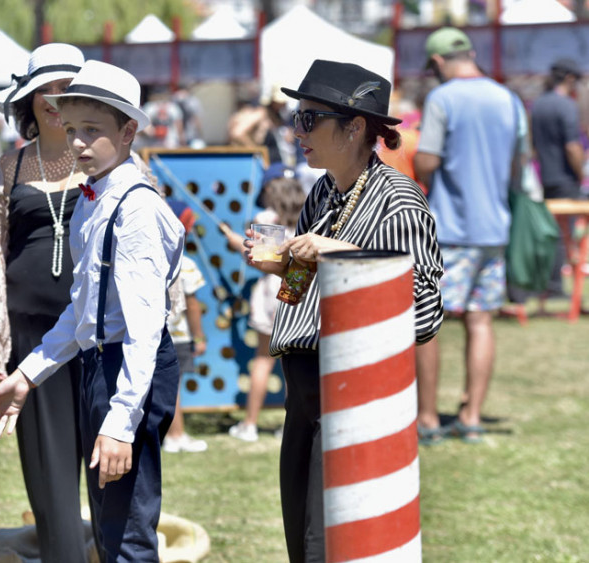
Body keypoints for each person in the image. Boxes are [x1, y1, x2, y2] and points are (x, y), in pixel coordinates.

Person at [0, 60, 185, 562]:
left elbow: (141, 331)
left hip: (127, 370)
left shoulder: (134, 209)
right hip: (100, 364)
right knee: (110, 525)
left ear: (129, 130)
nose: (77, 143)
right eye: (72, 130)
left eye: (92, 130)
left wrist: (119, 422)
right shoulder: (93, 200)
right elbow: (81, 312)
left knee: (127, 534)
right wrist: (27, 375)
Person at [248, 60, 443, 561]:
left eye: (310, 119)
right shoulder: (325, 191)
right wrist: (281, 268)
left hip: (354, 398)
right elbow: (301, 291)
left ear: (355, 127)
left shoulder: (398, 200)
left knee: (329, 548)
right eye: (297, 116)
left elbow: (422, 312)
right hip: (307, 393)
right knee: (305, 543)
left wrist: (333, 252)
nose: (297, 130)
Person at [0, 43, 90, 562]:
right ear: (30, 97)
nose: (57, 98)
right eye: (48, 87)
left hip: (95, 330)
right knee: (50, 474)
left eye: (68, 88)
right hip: (31, 336)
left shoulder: (109, 159)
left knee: (109, 465)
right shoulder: (10, 168)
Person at [413, 27, 524, 443]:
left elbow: (426, 162)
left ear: (439, 62)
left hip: (451, 228)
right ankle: (472, 415)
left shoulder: (443, 98)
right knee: (481, 322)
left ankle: (426, 417)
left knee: (429, 322)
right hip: (493, 226)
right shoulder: (507, 98)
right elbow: (518, 163)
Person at [221, 163, 306, 442]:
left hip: (273, 292)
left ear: (270, 189)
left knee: (263, 359)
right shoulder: (310, 213)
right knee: (295, 365)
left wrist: (235, 241)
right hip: (300, 290)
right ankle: (291, 426)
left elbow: (264, 262)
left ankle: (249, 425)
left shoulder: (268, 217)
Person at [529, 57, 585, 305]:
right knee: (565, 234)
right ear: (570, 78)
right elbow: (572, 147)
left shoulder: (538, 105)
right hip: (566, 178)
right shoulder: (566, 106)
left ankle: (547, 283)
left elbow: (532, 145)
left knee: (548, 232)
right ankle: (555, 286)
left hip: (544, 176)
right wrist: (582, 173)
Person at [162, 199, 208, 453]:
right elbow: (192, 306)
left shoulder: (152, 259)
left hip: (155, 333)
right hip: (178, 337)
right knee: (173, 388)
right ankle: (175, 435)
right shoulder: (186, 264)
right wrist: (199, 337)